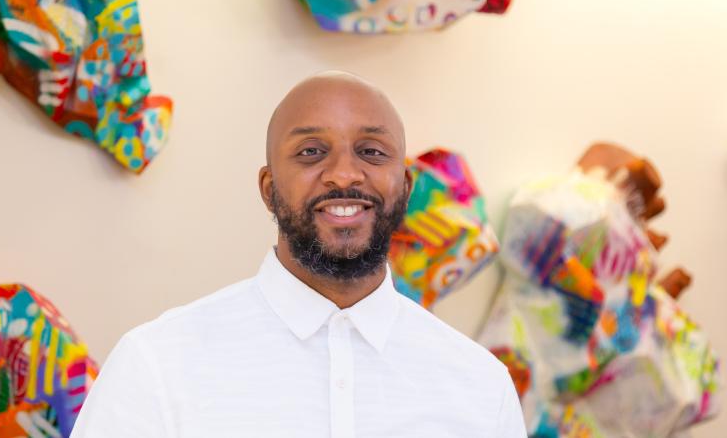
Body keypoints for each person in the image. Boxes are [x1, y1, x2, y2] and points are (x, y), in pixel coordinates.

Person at [71, 72, 527, 437]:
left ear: (405, 188)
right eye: (311, 152)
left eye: (371, 151)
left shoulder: (480, 386)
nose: (344, 173)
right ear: (270, 190)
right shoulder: (157, 364)